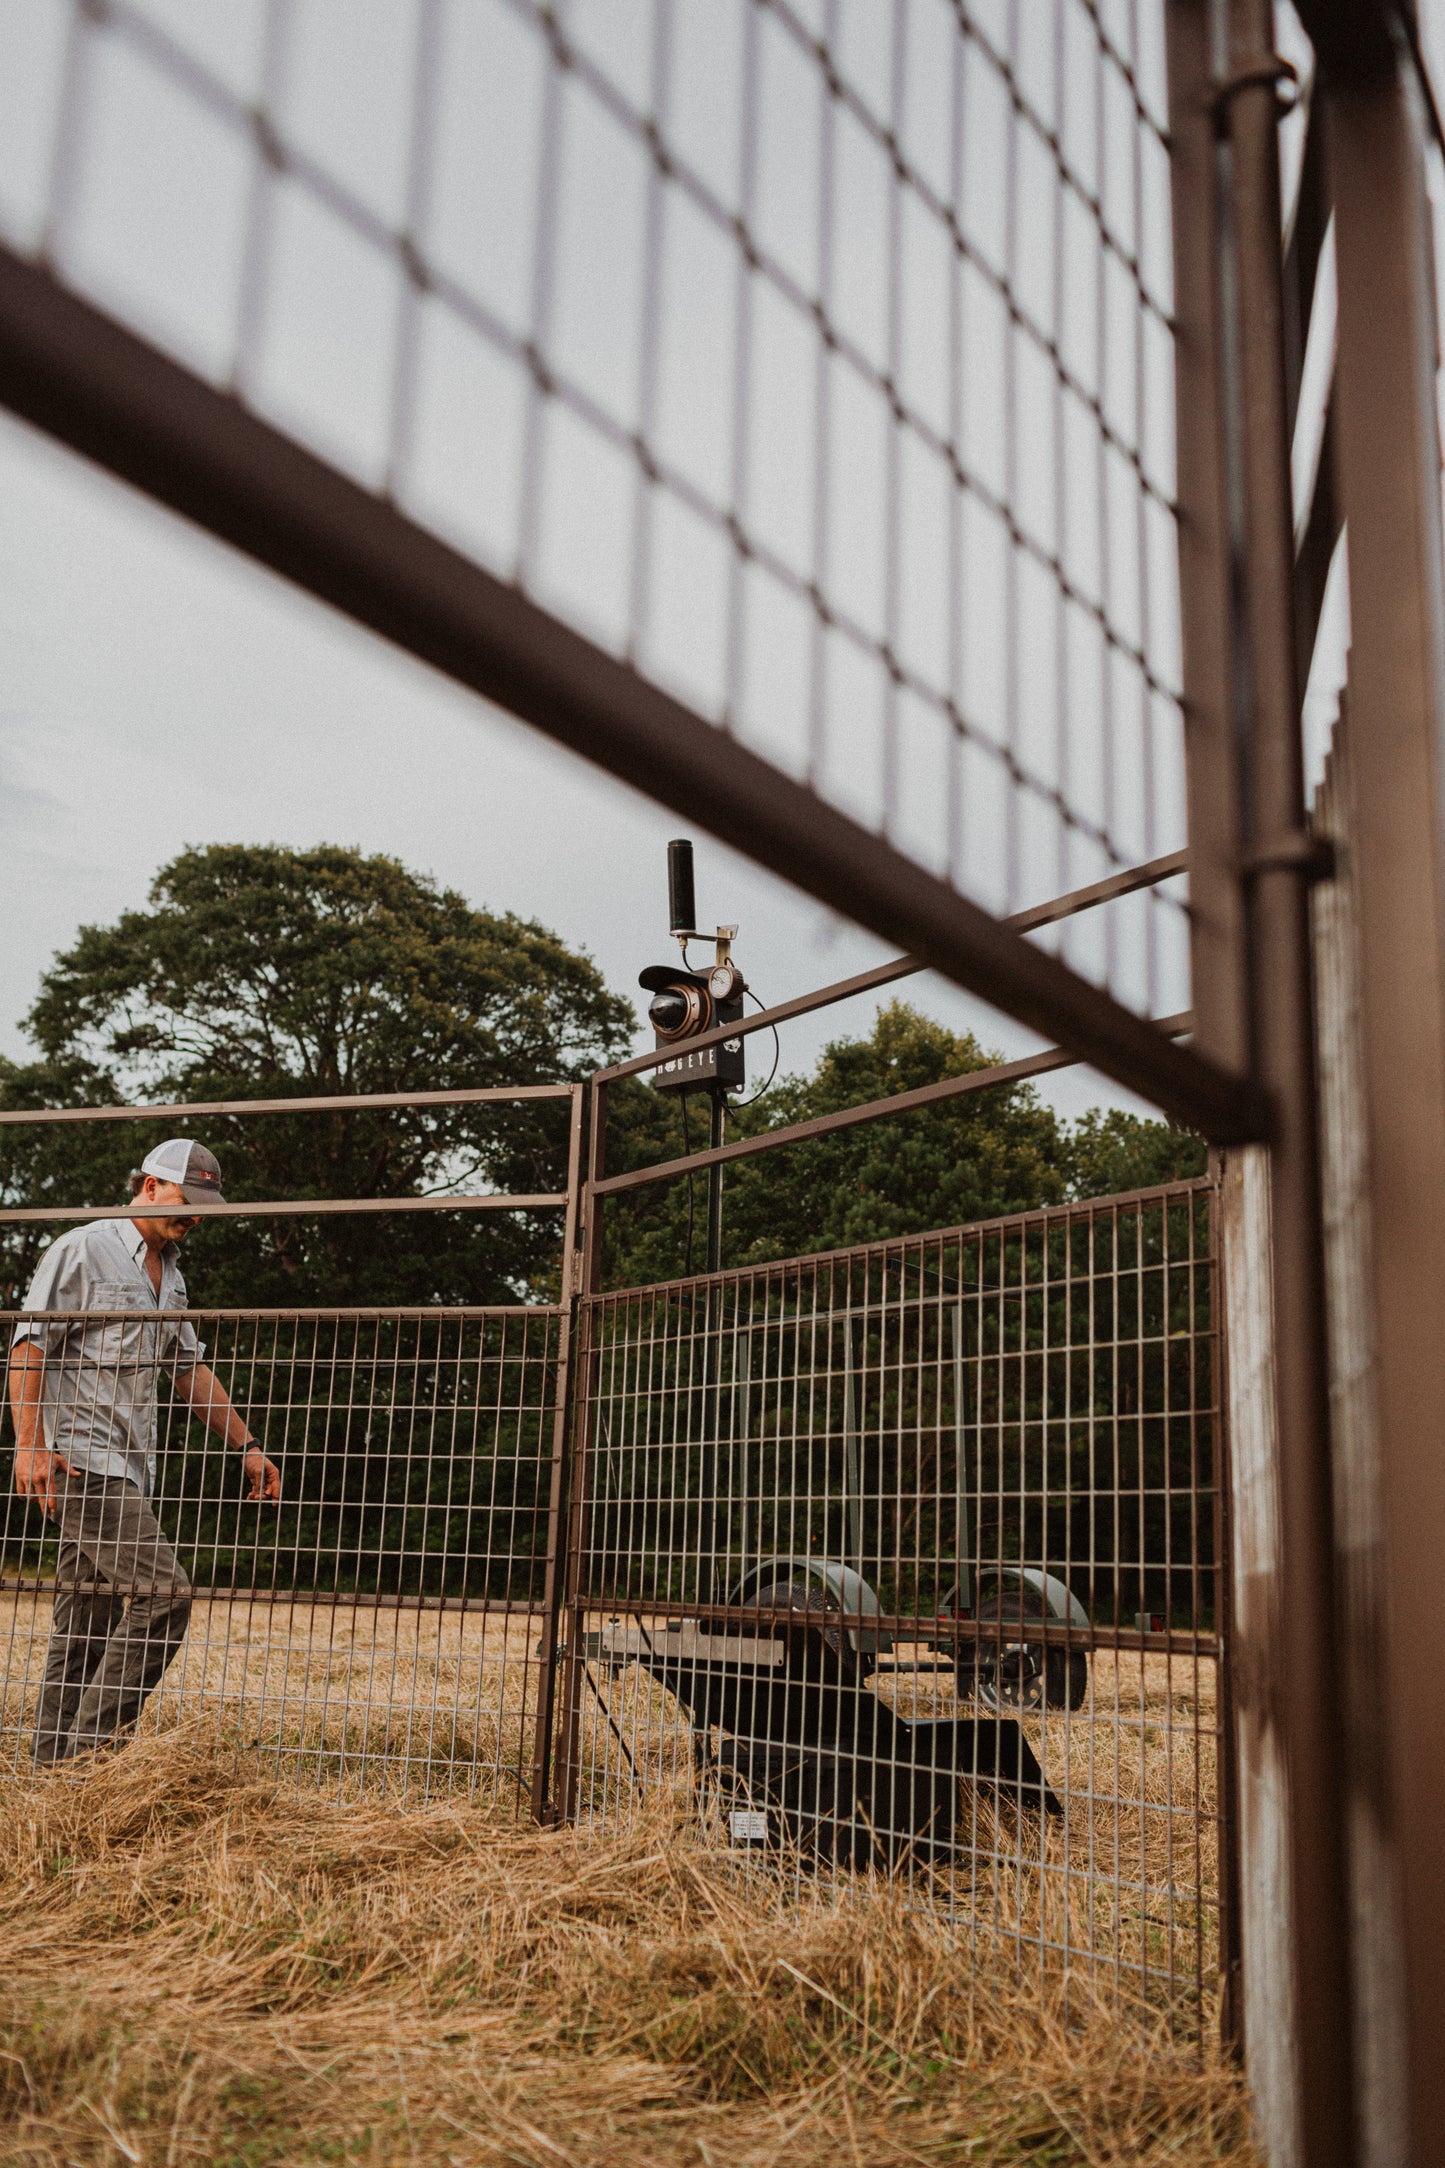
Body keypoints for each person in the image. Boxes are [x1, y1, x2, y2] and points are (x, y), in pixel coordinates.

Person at [6, 1138, 281, 1766]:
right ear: (151, 1184)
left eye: (207, 1206)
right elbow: (29, 1345)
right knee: (166, 1595)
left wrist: (248, 1444)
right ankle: (93, 1754)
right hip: (79, 1462)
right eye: (191, 1200)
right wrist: (31, 1447)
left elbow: (187, 1369)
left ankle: (53, 1771)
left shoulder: (173, 1275)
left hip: (130, 1466)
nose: (197, 1216)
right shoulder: (83, 1248)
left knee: (87, 1620)